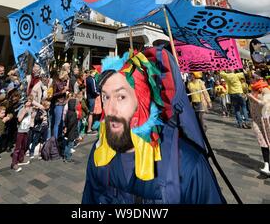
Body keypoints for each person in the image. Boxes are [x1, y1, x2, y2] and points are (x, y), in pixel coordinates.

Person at [82, 48, 226, 204]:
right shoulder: (99, 155)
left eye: (121, 96)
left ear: (143, 102)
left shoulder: (187, 165)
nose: (109, 109)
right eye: (106, 97)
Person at [248, 80, 270, 176]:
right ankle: (266, 166)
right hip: (258, 122)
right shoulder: (257, 93)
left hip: (266, 121)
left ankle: (267, 166)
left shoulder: (267, 93)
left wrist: (252, 97)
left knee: (267, 142)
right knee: (263, 143)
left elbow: (263, 103)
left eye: (256, 90)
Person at [86, 70, 100, 134]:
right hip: (92, 97)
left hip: (89, 97)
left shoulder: (87, 79)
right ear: (92, 73)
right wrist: (98, 93)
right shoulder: (92, 79)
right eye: (94, 72)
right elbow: (94, 89)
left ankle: (89, 128)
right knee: (91, 113)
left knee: (90, 113)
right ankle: (89, 129)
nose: (95, 73)